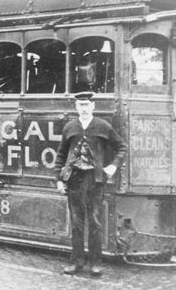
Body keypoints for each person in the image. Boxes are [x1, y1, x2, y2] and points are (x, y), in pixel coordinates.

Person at [54, 91, 127, 276]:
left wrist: (112, 167)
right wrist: (58, 179)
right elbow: (61, 155)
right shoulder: (70, 127)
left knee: (95, 223)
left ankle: (95, 263)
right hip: (74, 180)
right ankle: (76, 262)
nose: (84, 108)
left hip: (94, 181)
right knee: (76, 223)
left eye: (87, 105)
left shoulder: (103, 126)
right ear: (76, 107)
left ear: (93, 106)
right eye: (80, 105)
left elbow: (121, 147)